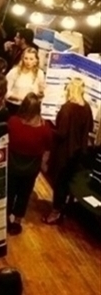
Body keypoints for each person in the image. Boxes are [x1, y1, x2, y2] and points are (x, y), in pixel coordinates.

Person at [44, 78, 94, 224]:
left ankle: (55, 212)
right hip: (78, 153)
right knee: (68, 181)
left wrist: (49, 128)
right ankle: (63, 208)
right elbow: (89, 128)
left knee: (59, 181)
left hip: (64, 152)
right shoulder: (87, 108)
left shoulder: (67, 109)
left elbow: (62, 133)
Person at [6, 93, 53, 234]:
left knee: (9, 192)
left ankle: (5, 218)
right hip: (31, 168)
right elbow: (48, 148)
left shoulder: (13, 122)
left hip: (12, 165)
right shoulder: (45, 129)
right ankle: (17, 222)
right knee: (24, 194)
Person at [5, 47, 44, 114]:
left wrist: (41, 93)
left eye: (31, 59)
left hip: (31, 108)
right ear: (22, 59)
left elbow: (40, 94)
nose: (28, 62)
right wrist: (20, 98)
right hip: (14, 107)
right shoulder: (14, 72)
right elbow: (5, 90)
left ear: (36, 61)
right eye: (26, 58)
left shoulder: (39, 73)